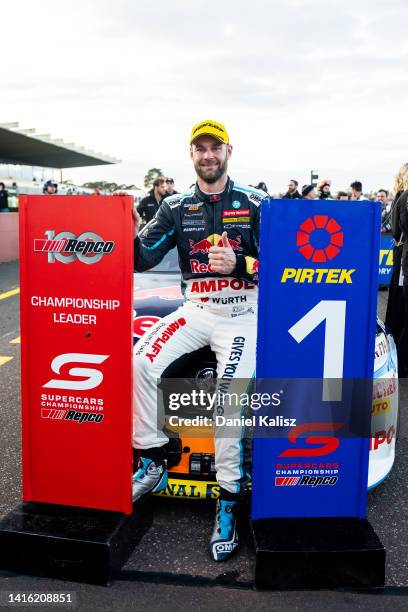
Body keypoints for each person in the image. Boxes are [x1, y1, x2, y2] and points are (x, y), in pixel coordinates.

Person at [132, 119, 266, 562]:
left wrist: (243, 264)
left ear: (229, 150)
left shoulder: (256, 204)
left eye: (215, 147)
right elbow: (142, 257)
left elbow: (290, 269)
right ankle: (152, 455)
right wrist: (124, 228)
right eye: (199, 148)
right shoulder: (174, 205)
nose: (207, 155)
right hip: (197, 311)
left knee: (229, 400)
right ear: (191, 154)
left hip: (244, 315)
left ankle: (227, 499)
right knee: (140, 361)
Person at [386, 163, 408, 374]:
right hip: (402, 257)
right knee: (400, 306)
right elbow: (398, 231)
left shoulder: (399, 196)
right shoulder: (403, 198)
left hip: (401, 256)